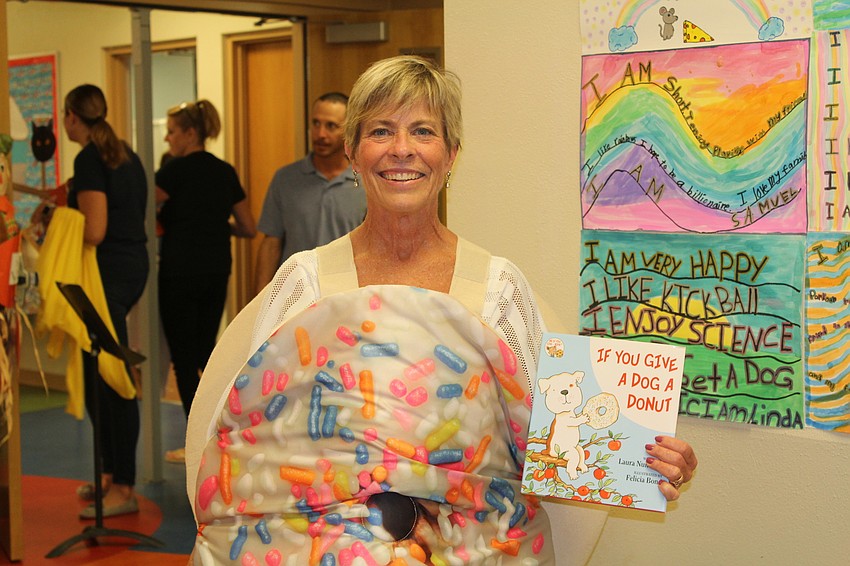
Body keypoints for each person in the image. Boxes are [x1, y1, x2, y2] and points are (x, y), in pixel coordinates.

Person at [185, 56, 698, 564]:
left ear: (451, 154)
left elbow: (559, 432)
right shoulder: (306, 284)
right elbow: (242, 438)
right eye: (380, 131)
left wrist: (644, 462)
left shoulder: (497, 291)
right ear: (352, 152)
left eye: (423, 131)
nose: (401, 149)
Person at [63, 84, 148, 517]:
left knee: (114, 378)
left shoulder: (89, 159)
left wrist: (58, 220)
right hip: (129, 266)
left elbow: (94, 230)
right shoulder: (124, 153)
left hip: (108, 274)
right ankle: (110, 474)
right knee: (99, 373)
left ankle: (125, 487)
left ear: (71, 117)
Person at [156, 99, 256, 462]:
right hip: (215, 270)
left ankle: (197, 440)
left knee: (183, 360)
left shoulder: (172, 172)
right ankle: (222, 431)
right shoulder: (224, 171)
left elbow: (145, 212)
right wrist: (214, 224)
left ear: (190, 133)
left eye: (171, 132)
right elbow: (248, 227)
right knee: (205, 353)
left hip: (179, 271)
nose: (167, 139)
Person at [253, 92, 367, 294]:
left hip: (348, 293)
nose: (320, 134)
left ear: (348, 130)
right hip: (295, 293)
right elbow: (271, 243)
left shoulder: (367, 182)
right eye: (316, 123)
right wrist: (261, 299)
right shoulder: (285, 179)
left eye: (331, 126)